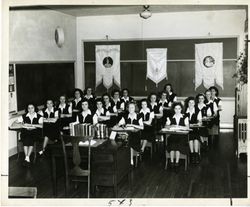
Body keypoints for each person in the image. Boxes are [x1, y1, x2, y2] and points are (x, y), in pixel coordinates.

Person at [165, 102, 189, 170]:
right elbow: (166, 126)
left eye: (179, 109)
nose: (177, 110)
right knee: (172, 144)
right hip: (173, 136)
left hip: (182, 136)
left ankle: (177, 163)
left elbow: (187, 127)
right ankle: (172, 162)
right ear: (173, 109)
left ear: (181, 109)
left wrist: (179, 127)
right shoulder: (170, 117)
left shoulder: (185, 117)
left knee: (178, 145)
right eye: (176, 109)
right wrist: (170, 126)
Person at [185, 97, 200, 164]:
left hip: (195, 128)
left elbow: (200, 122)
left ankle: (196, 155)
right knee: (190, 138)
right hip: (187, 129)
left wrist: (195, 124)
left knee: (196, 138)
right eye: (189, 103)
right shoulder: (184, 111)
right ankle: (191, 154)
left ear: (194, 104)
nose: (191, 104)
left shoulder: (197, 111)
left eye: (192, 103)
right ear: (187, 103)